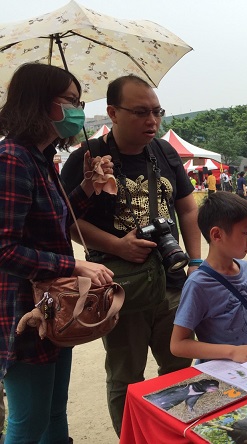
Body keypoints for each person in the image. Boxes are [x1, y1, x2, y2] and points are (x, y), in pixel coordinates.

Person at [61, 74, 202, 436]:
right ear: (112, 112)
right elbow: (69, 222)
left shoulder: (165, 152)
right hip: (121, 289)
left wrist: (196, 262)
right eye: (140, 112)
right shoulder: (84, 160)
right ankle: (134, 439)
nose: (152, 121)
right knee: (126, 376)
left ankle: (176, 435)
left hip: (172, 281)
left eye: (156, 111)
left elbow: (186, 208)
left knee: (181, 368)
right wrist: (117, 245)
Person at [0, 63, 115, 443]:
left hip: (54, 306)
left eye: (79, 101)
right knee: (29, 421)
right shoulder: (12, 159)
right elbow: (4, 250)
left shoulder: (41, 159)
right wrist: (75, 264)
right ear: (40, 102)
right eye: (70, 100)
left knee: (53, 413)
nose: (77, 109)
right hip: (22, 312)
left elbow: (51, 225)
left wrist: (86, 187)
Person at [170, 191, 247, 363]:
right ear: (217, 235)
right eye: (245, 233)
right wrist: (232, 352)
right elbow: (178, 345)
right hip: (224, 377)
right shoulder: (198, 284)